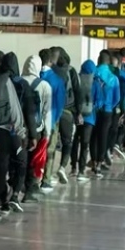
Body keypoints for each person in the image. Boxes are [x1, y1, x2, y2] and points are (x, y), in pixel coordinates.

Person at [0, 50, 25, 220]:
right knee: (1, 168)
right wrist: (21, 131)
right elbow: (14, 109)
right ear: (0, 64)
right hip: (2, 130)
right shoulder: (4, 80)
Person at [1, 52, 38, 212]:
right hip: (19, 131)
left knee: (3, 164)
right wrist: (34, 135)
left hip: (1, 130)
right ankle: (15, 194)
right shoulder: (23, 84)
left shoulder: (0, 82)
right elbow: (30, 112)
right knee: (21, 163)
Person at [22, 54, 53, 196]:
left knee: (21, 160)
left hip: (20, 129)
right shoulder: (44, 85)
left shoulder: (17, 81)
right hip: (37, 128)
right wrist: (47, 131)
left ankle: (18, 188)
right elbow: (47, 111)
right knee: (34, 160)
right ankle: (30, 189)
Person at [38, 48, 65, 192]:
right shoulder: (57, 79)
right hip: (52, 118)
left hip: (35, 121)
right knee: (50, 149)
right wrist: (55, 119)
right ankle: (45, 179)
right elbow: (60, 103)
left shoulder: (35, 76)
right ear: (50, 61)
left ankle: (33, 177)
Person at [51, 47, 77, 185]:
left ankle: (48, 173)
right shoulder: (71, 70)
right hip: (67, 111)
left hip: (53, 111)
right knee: (67, 141)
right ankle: (62, 167)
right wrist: (78, 113)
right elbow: (77, 91)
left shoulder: (50, 71)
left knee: (52, 143)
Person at [91, 51, 120, 176]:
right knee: (103, 136)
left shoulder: (93, 73)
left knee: (93, 136)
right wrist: (110, 106)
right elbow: (117, 98)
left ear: (98, 60)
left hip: (93, 110)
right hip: (107, 111)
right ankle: (99, 162)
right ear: (108, 62)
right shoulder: (113, 78)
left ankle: (92, 160)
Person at [73, 59, 99, 181]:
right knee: (85, 144)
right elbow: (99, 101)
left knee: (75, 141)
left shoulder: (78, 79)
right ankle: (81, 171)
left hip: (77, 115)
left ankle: (73, 167)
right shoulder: (95, 82)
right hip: (90, 118)